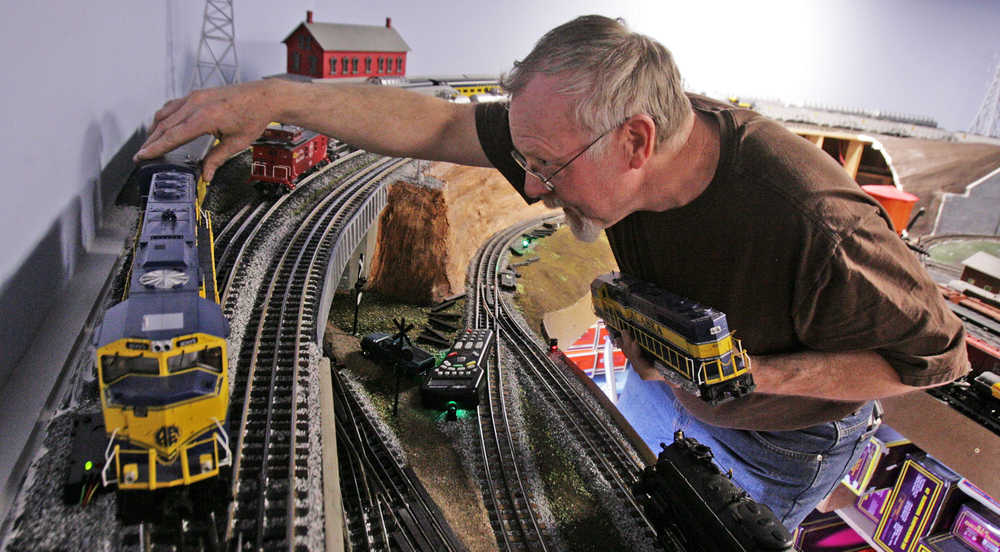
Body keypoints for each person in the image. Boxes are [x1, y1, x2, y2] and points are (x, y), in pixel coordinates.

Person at [136, 15, 969, 530]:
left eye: (546, 164)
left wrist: (762, 376)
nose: (530, 185)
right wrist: (282, 97)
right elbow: (436, 126)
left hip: (780, 443)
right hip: (666, 383)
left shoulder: (814, 224)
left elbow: (936, 361)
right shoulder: (597, 135)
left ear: (636, 142)